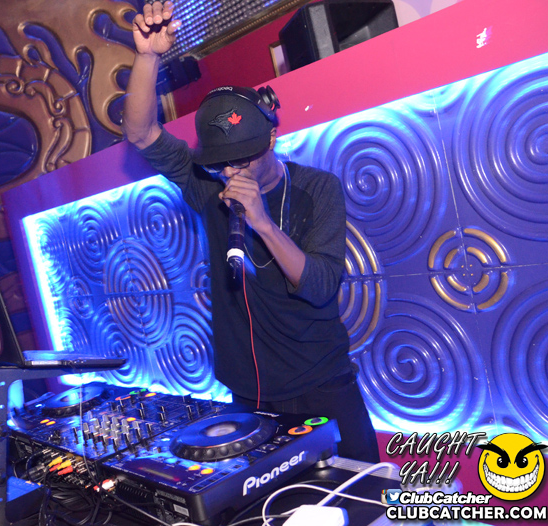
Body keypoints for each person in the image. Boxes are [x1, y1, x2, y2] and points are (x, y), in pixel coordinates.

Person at [123, 1, 379, 462]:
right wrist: (147, 57)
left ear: (272, 139)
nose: (230, 171)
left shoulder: (318, 188)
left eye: (242, 159)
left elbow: (320, 286)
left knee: (357, 493)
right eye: (220, 163)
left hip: (321, 386)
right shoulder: (207, 185)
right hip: (248, 394)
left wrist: (261, 221)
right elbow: (141, 134)